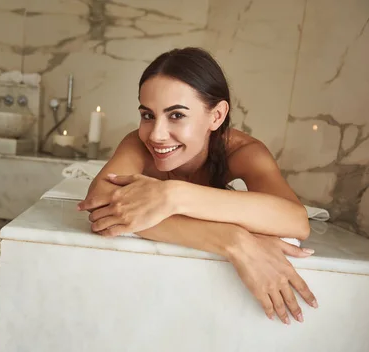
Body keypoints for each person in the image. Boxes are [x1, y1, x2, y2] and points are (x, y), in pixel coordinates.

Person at [77, 47, 318, 325]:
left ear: (216, 116)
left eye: (176, 115)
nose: (156, 134)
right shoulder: (138, 144)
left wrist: (175, 195)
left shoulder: (244, 152)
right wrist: (233, 240)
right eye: (147, 115)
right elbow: (102, 203)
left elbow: (296, 221)